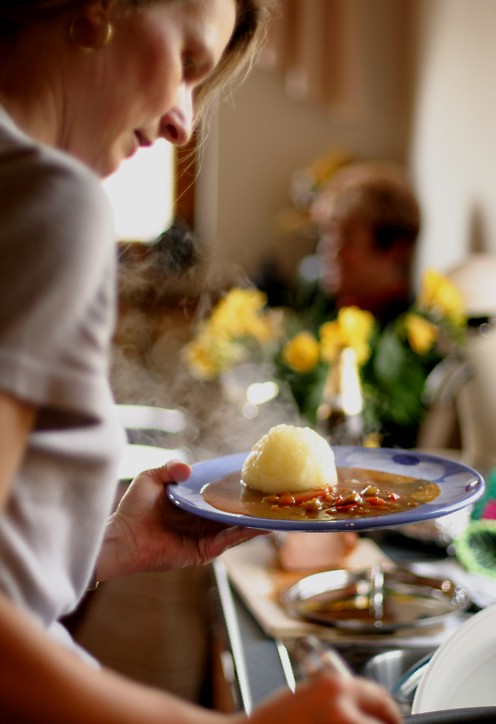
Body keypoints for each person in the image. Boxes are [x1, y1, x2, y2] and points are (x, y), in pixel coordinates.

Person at [0, 2, 401, 722]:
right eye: (187, 63)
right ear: (100, 10)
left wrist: (107, 544)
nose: (185, 120)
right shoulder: (46, 199)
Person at [294, 161, 421, 330]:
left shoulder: (404, 336)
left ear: (395, 250)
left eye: (348, 240)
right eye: (327, 235)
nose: (329, 251)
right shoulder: (323, 308)